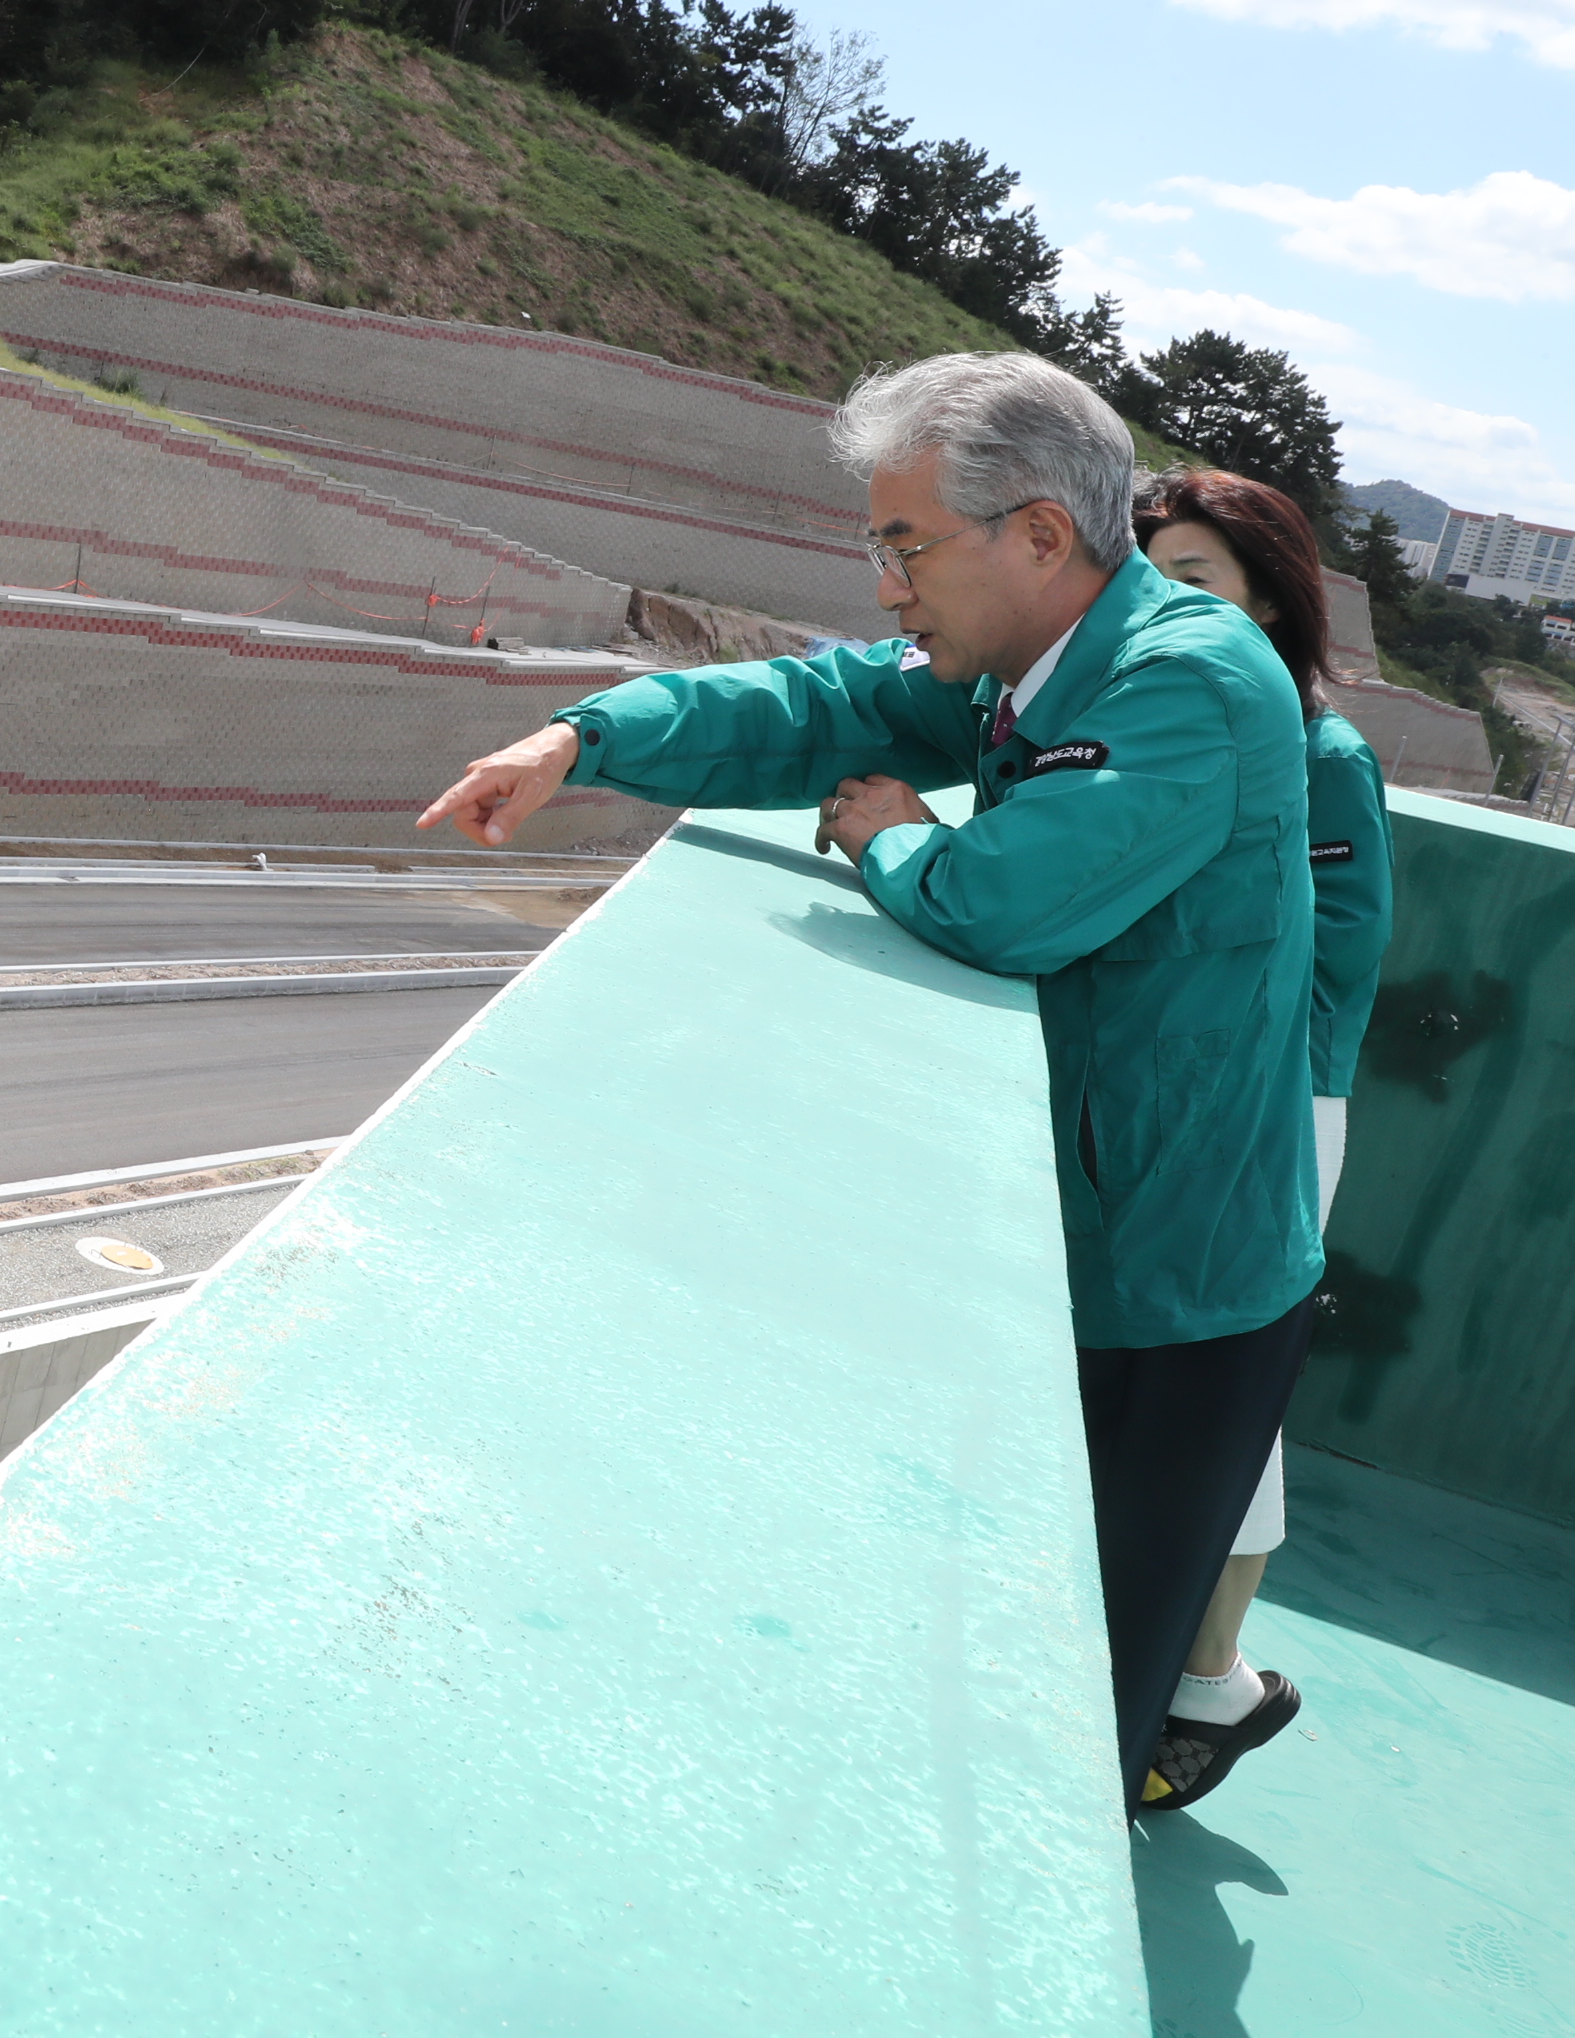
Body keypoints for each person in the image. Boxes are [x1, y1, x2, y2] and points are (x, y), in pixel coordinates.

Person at [418, 351, 1323, 1811]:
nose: (890, 590)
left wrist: (890, 834)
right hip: (1081, 1236)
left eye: (906, 547)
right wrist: (585, 736)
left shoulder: (1187, 683)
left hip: (1174, 1283)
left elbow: (1003, 903)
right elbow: (816, 706)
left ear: (1037, 537)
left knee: (1077, 1692)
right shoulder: (1034, 662)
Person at [1132, 468, 1395, 1810]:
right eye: (1152, 577)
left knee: (1233, 1397)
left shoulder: (1323, 750)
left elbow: (1339, 957)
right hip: (1183, 1094)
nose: (1167, 606)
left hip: (1280, 1112)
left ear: (1270, 600)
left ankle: (1215, 1678)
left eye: (1199, 581)